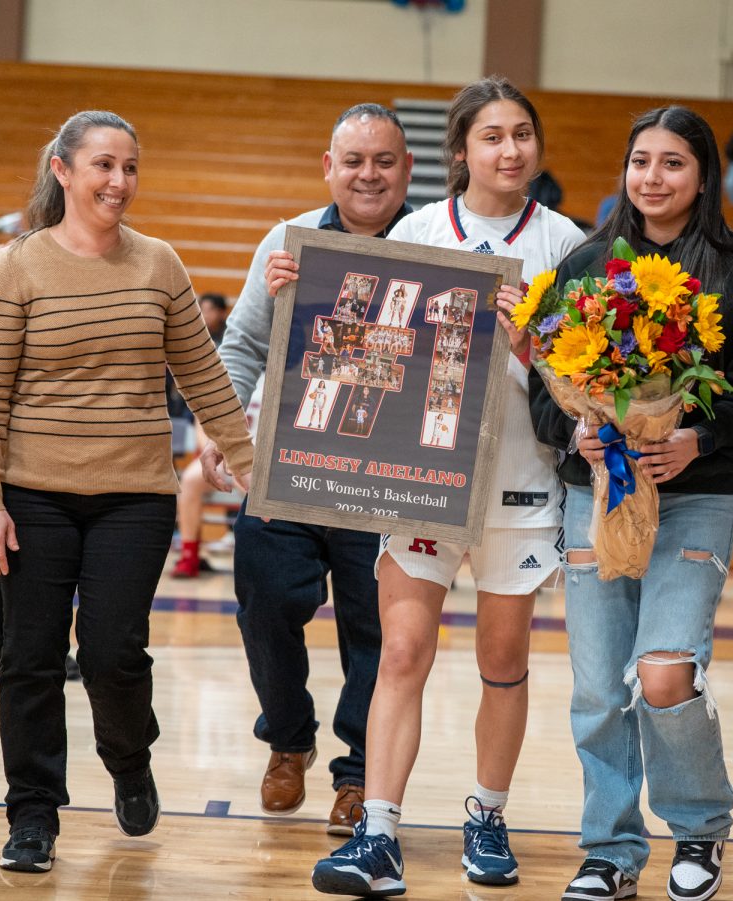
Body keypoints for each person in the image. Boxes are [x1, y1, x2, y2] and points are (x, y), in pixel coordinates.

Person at [0, 110, 255, 873]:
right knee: (29, 654)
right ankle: (32, 814)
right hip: (32, 493)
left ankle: (129, 756)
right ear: (62, 170)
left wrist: (246, 455)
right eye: (102, 165)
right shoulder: (15, 265)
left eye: (129, 167)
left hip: (135, 492)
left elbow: (202, 371)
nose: (118, 181)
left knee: (114, 649)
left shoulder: (159, 263)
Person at [310, 76, 584, 896]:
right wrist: (309, 296)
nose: (511, 150)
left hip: (523, 479)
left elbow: (582, 382)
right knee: (401, 649)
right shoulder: (417, 231)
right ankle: (380, 831)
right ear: (460, 151)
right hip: (421, 473)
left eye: (523, 135)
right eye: (493, 137)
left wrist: (530, 341)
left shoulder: (569, 244)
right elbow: (359, 355)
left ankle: (487, 815)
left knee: (504, 658)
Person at [530, 105, 733, 901]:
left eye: (672, 162)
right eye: (641, 161)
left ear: (704, 175)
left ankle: (700, 826)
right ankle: (610, 850)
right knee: (600, 686)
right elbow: (546, 397)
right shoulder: (584, 267)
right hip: (599, 495)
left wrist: (697, 440)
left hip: (695, 497)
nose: (653, 177)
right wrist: (575, 435)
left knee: (665, 670)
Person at [199, 102, 412, 836]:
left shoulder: (430, 245)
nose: (368, 174)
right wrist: (223, 434)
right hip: (288, 465)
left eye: (384, 160)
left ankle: (358, 775)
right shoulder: (285, 244)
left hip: (388, 482)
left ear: (406, 170)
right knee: (265, 603)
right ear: (329, 168)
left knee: (374, 631)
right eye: (353, 160)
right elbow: (241, 348)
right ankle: (287, 738)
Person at [168, 292, 232, 579]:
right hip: (222, 451)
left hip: (260, 455)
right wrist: (207, 451)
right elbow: (200, 416)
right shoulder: (214, 364)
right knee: (192, 479)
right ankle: (190, 555)